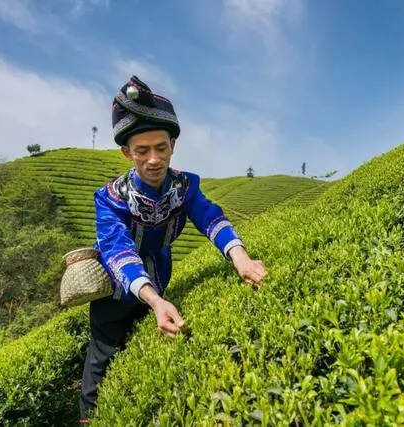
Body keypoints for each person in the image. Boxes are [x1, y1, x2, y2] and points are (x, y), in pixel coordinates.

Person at [79, 75, 268, 423]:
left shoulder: (185, 186)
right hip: (115, 292)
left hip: (159, 276)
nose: (153, 160)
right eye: (142, 151)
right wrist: (154, 300)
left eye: (161, 148)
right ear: (126, 152)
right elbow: (119, 252)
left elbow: (211, 219)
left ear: (173, 145)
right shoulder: (109, 198)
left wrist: (240, 257)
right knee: (102, 357)